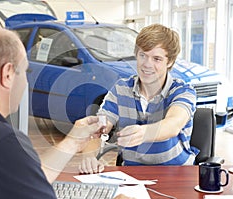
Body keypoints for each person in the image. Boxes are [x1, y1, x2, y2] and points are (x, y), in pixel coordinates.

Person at [0, 26, 136, 199]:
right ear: (7, 75)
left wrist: (73, 141)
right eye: (25, 71)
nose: (26, 82)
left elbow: (19, 178)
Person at [79, 23, 198, 174]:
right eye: (143, 55)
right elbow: (99, 128)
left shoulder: (182, 91)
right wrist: (89, 157)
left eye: (156, 59)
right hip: (132, 175)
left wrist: (145, 133)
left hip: (177, 174)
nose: (147, 64)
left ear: (170, 62)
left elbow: (173, 124)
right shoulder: (121, 89)